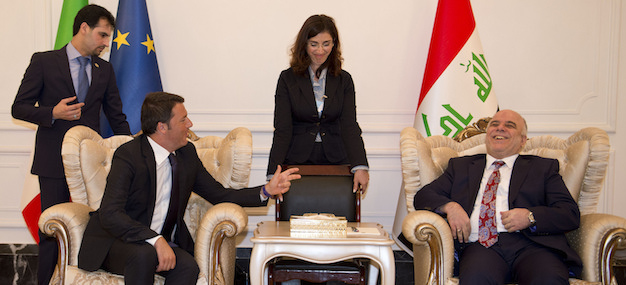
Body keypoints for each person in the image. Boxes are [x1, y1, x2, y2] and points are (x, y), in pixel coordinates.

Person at [78, 92, 301, 284]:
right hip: (116, 241)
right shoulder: (128, 156)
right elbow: (110, 213)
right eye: (184, 119)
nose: (190, 125)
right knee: (144, 254)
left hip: (156, 243)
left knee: (188, 267)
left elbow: (219, 193)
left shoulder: (186, 155)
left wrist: (265, 191)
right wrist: (155, 239)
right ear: (162, 127)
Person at [11, 5, 130, 285]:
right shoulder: (44, 61)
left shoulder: (105, 69)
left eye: (108, 37)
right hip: (53, 163)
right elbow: (19, 108)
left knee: (92, 230)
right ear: (84, 28)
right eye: (101, 35)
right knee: (53, 231)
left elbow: (116, 115)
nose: (105, 43)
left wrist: (129, 149)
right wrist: (52, 113)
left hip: (93, 168)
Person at [413, 109, 582, 285]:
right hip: (480, 247)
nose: (500, 128)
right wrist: (451, 207)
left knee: (547, 279)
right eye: (495, 124)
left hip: (533, 246)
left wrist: (530, 217)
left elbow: (569, 213)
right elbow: (423, 196)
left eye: (509, 126)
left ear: (522, 140)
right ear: (487, 135)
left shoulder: (543, 168)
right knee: (475, 279)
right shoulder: (461, 166)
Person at [267, 14, 369, 193]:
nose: (320, 50)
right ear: (304, 45)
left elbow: (349, 125)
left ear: (334, 44)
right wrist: (271, 175)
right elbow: (282, 129)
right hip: (297, 160)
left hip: (337, 160)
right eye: (314, 44)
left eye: (326, 44)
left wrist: (360, 165)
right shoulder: (287, 79)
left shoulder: (344, 80)